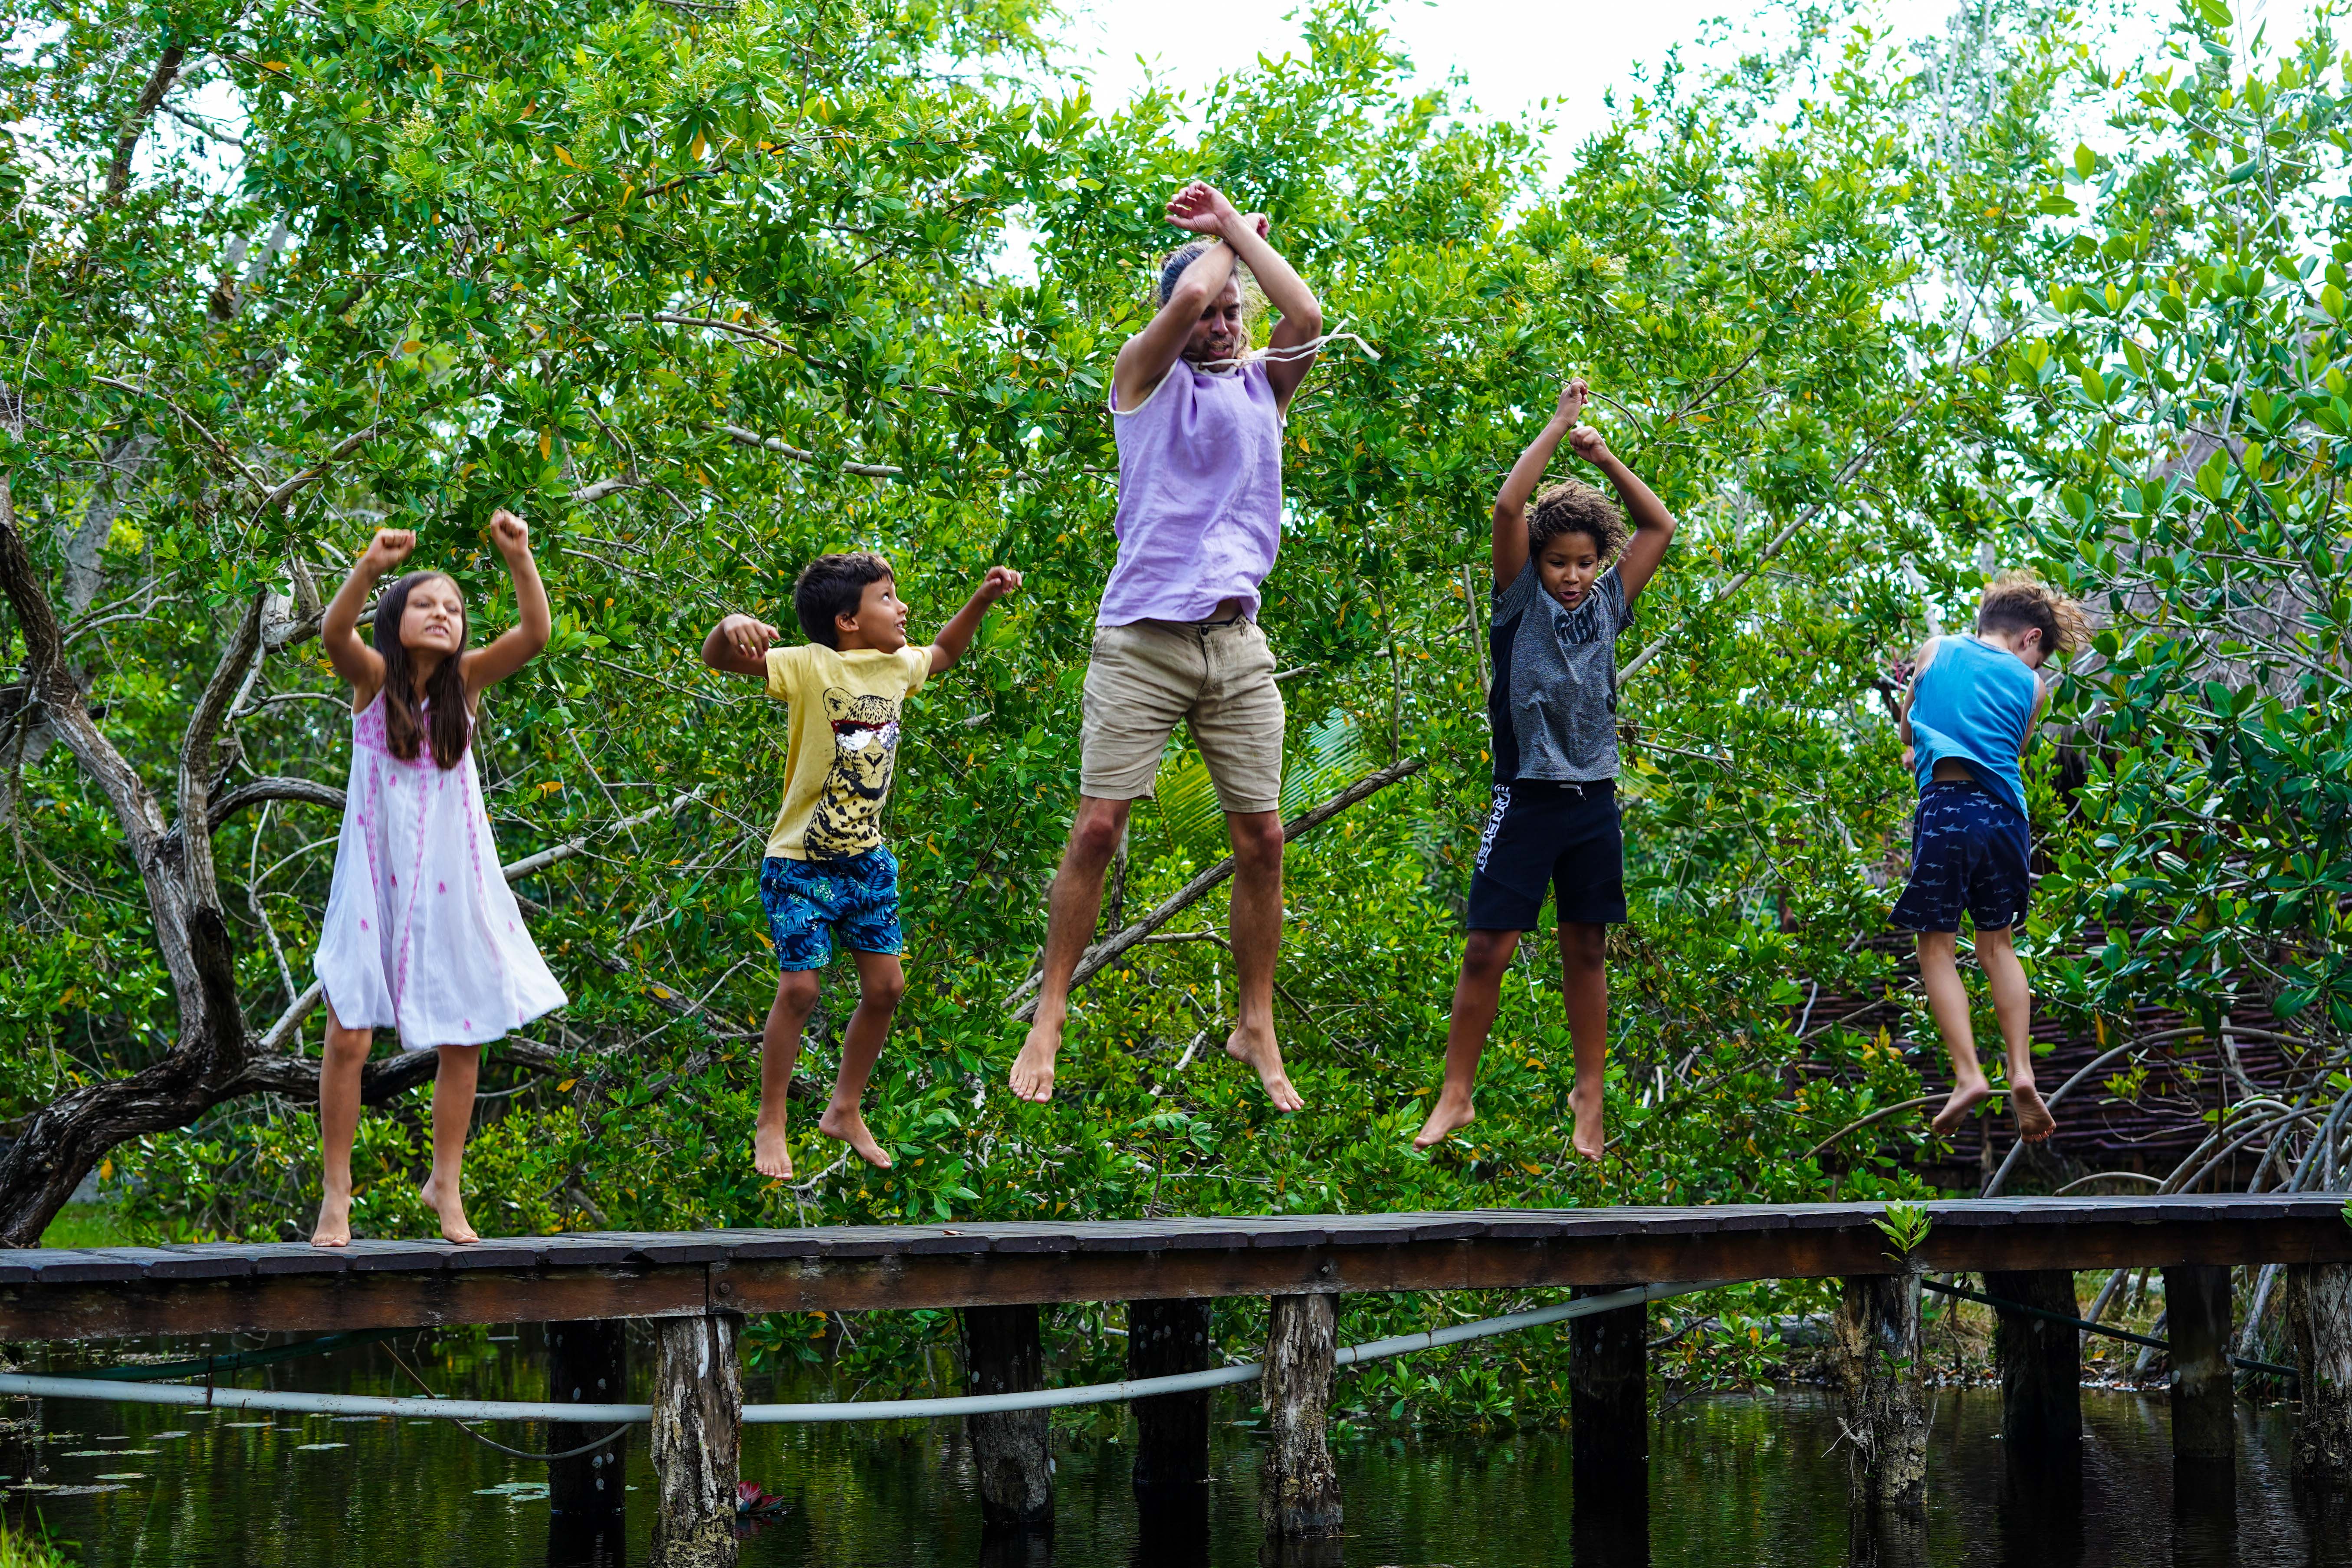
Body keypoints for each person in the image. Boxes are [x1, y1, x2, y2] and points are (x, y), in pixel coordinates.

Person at [1008, 180, 1324, 1112]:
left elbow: (1302, 311)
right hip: (1142, 638)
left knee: (1262, 836)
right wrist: (1224, 239)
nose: (1224, 325)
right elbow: (1185, 296)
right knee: (1099, 825)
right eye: (1213, 314)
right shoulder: (1139, 381)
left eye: (1236, 313)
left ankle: (1255, 1020)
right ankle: (1051, 1008)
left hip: (1234, 641)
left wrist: (1234, 232)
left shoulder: (1266, 385)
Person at [1413, 379, 1676, 1161]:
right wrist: (1561, 427)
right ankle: (1456, 1093)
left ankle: (1588, 1094)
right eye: (1558, 561)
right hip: (1524, 797)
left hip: (1593, 797)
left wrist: (1605, 455)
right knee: (1486, 947)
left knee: (1586, 946)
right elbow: (1505, 510)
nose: (1570, 574)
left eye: (1584, 562)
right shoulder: (1519, 601)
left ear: (1600, 563)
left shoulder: (1608, 605)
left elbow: (1659, 524)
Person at [702, 553, 1022, 1178]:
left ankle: (843, 1108)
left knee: (888, 988)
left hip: (866, 863)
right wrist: (731, 623)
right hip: (799, 860)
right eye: (886, 597)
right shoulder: (808, 664)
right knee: (800, 988)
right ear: (848, 619)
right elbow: (719, 657)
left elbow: (946, 654)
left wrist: (982, 598)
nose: (901, 608)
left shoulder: (899, 667)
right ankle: (771, 1118)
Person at [312, 514, 565, 1247]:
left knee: (467, 1032)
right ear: (396, 618)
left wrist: (519, 555)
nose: (444, 615)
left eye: (454, 607)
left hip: (453, 883)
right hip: (374, 881)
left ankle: (445, 1185)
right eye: (428, 603)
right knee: (350, 1034)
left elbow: (535, 636)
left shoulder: (466, 685)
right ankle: (337, 1191)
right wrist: (367, 566)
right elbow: (335, 635)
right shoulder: (375, 680)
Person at [1893, 571, 2088, 1145]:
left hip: (1948, 807)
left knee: (1936, 944)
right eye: (2043, 656)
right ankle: (2022, 1072)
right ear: (2030, 638)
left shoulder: (1936, 649)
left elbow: (1909, 727)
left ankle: (1969, 1074)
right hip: (2007, 820)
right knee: (1996, 944)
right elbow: (2010, 746)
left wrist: (1918, 745)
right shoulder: (2033, 689)